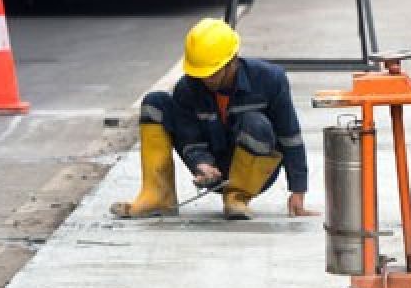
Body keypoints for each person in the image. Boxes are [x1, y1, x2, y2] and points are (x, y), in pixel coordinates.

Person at [111, 18, 316, 221]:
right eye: (200, 74)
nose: (204, 80)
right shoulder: (189, 87)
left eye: (211, 74)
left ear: (232, 61)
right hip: (213, 171)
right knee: (155, 102)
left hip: (253, 171)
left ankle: (237, 197)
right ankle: (158, 196)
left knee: (256, 122)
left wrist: (298, 190)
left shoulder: (270, 79)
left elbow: (290, 136)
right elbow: (190, 137)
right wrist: (201, 164)